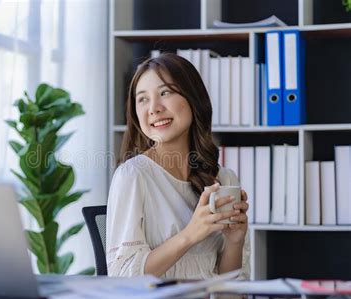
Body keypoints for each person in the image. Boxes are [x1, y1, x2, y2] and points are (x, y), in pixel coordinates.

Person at [106, 53, 250, 280]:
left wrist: (235, 242)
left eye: (165, 93)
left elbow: (231, 289)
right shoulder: (133, 176)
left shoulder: (225, 180)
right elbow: (121, 277)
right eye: (142, 99)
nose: (153, 108)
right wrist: (190, 234)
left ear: (193, 99)